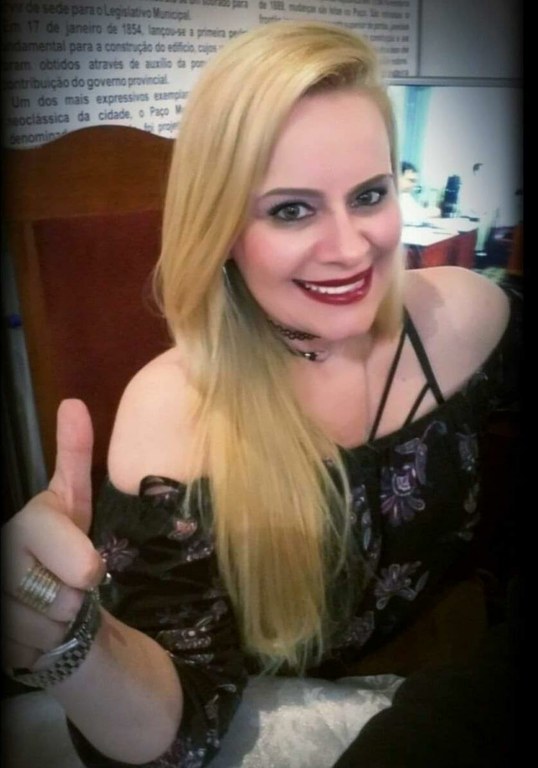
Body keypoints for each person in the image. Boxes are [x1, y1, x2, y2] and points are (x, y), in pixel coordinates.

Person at [1, 20, 519, 768]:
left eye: (370, 194)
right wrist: (76, 642)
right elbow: (181, 729)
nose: (352, 248)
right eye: (291, 209)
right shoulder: (174, 417)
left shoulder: (463, 316)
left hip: (455, 669)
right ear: (222, 231)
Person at [399, 160, 440, 226]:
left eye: (415, 182)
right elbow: (407, 218)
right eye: (411, 180)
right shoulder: (391, 196)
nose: (414, 185)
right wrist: (428, 212)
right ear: (397, 177)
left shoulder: (405, 195)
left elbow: (417, 212)